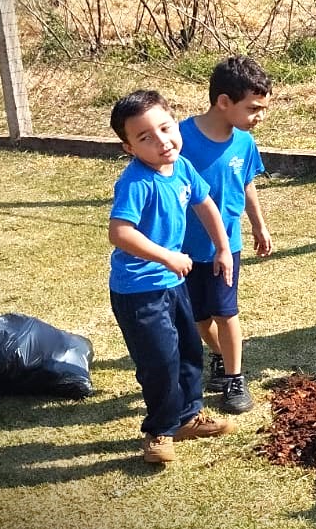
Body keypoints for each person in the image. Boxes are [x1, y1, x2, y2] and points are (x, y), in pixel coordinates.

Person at [107, 90, 236, 464]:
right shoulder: (136, 183)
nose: (162, 141)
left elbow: (205, 203)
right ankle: (159, 431)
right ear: (128, 147)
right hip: (139, 291)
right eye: (145, 137)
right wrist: (166, 256)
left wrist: (223, 248)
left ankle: (188, 416)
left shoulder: (180, 167)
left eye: (165, 128)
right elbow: (120, 233)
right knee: (160, 360)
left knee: (188, 350)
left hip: (172, 283)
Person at [179, 57, 271, 415]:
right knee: (198, 318)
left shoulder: (244, 143)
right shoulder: (180, 138)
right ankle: (217, 354)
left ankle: (234, 377)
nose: (259, 115)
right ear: (223, 102)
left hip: (226, 246)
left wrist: (258, 225)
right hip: (184, 249)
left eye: (262, 108)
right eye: (252, 108)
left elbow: (246, 183)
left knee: (225, 312)